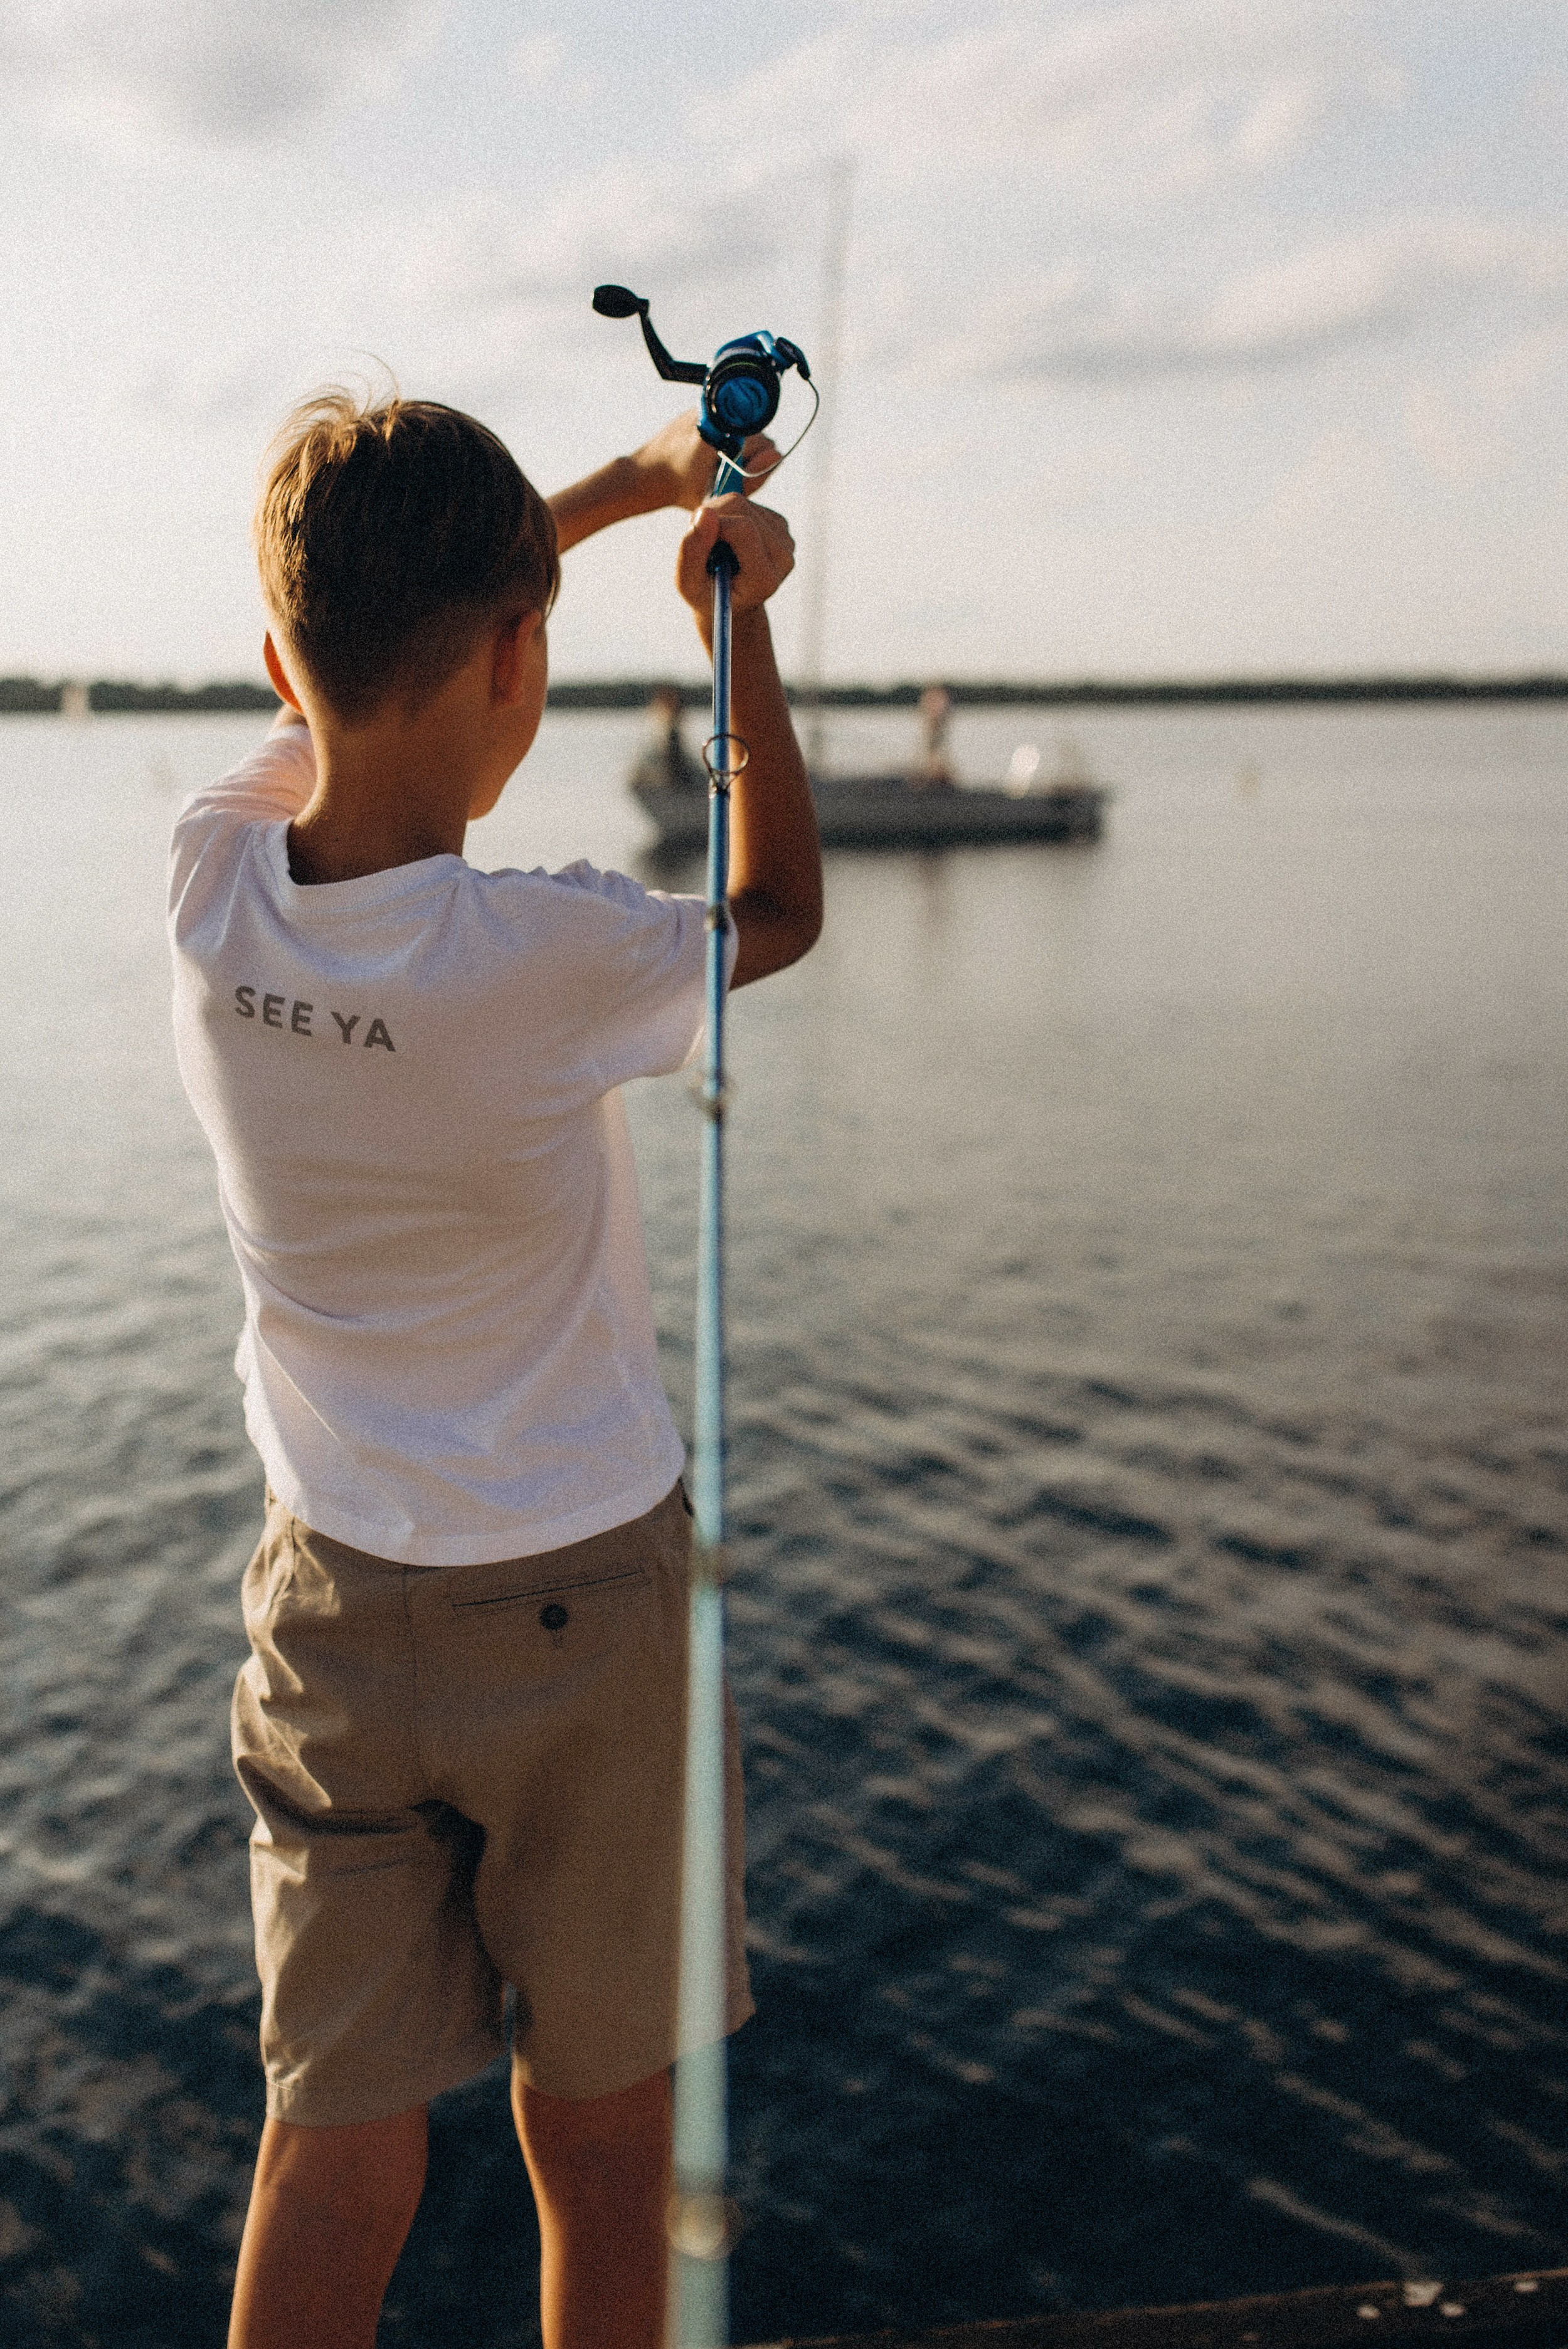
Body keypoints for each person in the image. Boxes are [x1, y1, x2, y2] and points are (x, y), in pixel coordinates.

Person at [166, 388, 822, 2349]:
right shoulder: (556, 956)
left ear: (281, 660)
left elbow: (376, 650)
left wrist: (616, 495)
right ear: (524, 658)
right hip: (581, 1612)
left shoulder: (208, 887)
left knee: (333, 2153)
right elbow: (779, 908)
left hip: (332, 1617)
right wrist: (731, 604)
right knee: (603, 2147)